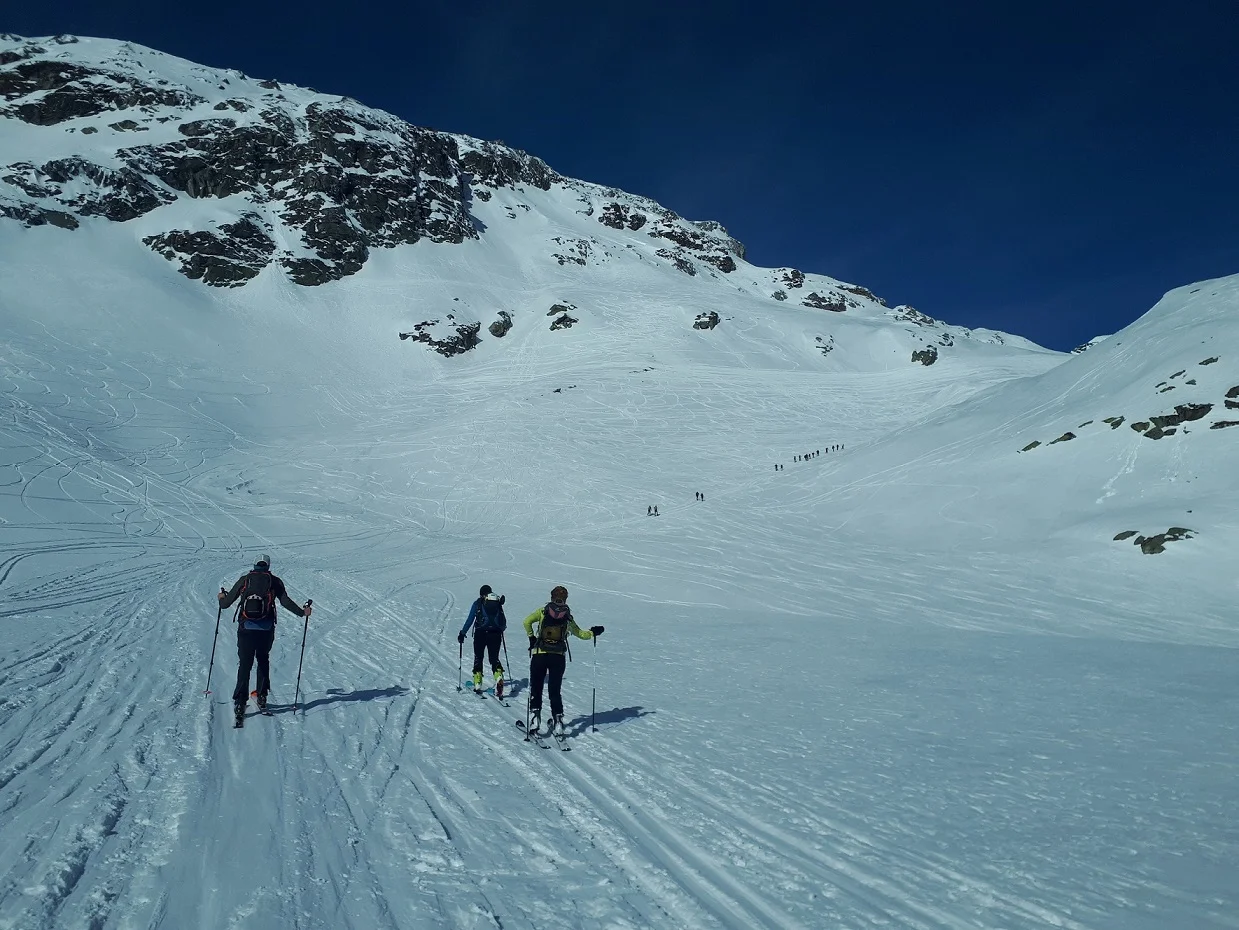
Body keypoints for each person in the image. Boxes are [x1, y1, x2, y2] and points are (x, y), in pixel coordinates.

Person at [218, 554, 311, 722]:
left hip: (246, 628)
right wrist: (302, 612)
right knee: (263, 659)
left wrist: (221, 598)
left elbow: (225, 604)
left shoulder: (245, 580)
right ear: (268, 566)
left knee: (245, 664)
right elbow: (285, 602)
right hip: (266, 629)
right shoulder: (274, 581)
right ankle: (261, 696)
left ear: (254, 565)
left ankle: (240, 702)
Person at [523, 585, 603, 736]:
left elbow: (526, 622)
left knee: (537, 686)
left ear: (552, 596)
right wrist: (593, 632)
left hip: (540, 654)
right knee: (555, 690)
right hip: (558, 657)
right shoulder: (567, 615)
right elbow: (581, 634)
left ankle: (535, 718)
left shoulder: (543, 611)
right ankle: (558, 721)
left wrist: (532, 638)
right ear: (565, 598)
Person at [458, 584, 508, 696]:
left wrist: (463, 633)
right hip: (495, 634)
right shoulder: (497, 604)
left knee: (478, 657)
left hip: (480, 633)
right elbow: (503, 623)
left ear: (481, 594)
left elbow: (470, 619)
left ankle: (477, 683)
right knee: (494, 658)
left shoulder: (478, 603)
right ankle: (499, 676)